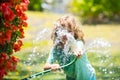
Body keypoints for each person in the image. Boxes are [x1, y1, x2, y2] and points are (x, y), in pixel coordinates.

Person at [44, 15, 96, 80]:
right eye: (63, 31)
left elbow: (78, 49)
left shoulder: (78, 43)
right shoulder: (56, 49)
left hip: (87, 77)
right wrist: (51, 66)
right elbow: (45, 66)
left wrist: (78, 52)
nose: (65, 34)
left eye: (69, 31)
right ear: (57, 32)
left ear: (74, 32)